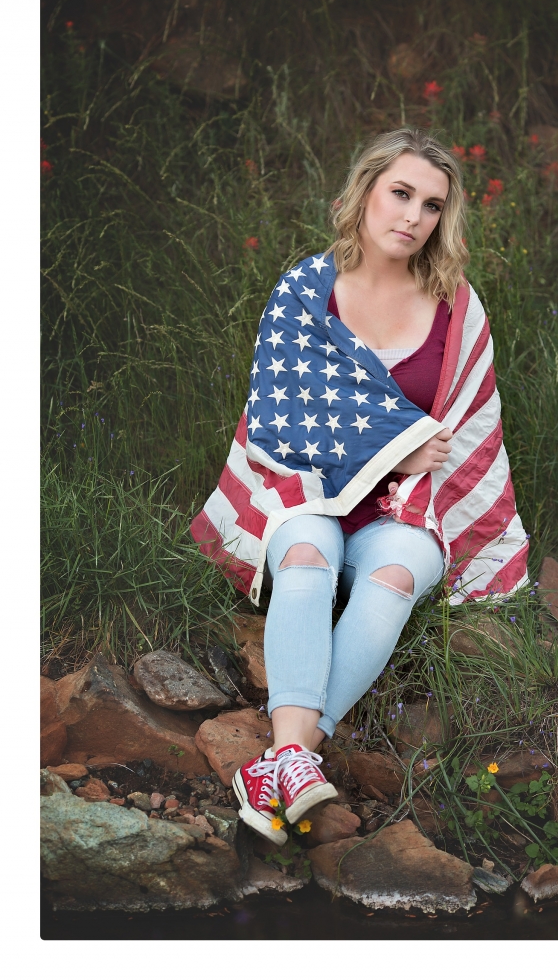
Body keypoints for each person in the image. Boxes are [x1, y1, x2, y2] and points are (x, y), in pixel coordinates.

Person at [192, 128, 529, 847]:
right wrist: (398, 445)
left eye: (432, 205)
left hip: (406, 509)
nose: (413, 216)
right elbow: (282, 422)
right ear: (365, 193)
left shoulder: (456, 308)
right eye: (400, 193)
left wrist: (412, 465)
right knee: (307, 561)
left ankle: (280, 763)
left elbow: (465, 432)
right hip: (306, 491)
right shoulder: (304, 292)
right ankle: (296, 761)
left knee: (395, 576)